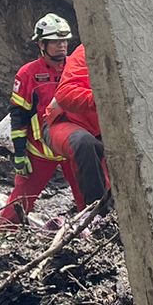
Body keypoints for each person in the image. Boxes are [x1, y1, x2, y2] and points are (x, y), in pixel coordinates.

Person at [0, 14, 79, 228]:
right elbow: (18, 116)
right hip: (40, 150)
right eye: (56, 41)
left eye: (65, 41)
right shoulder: (28, 74)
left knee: (93, 198)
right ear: (41, 44)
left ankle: (97, 235)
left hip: (75, 148)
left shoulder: (78, 68)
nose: (62, 45)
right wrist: (19, 154)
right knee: (18, 203)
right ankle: (3, 237)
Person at [43, 42, 112, 213]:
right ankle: (97, 217)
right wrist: (102, 100)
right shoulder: (91, 48)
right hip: (64, 122)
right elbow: (65, 93)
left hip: (100, 130)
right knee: (85, 144)